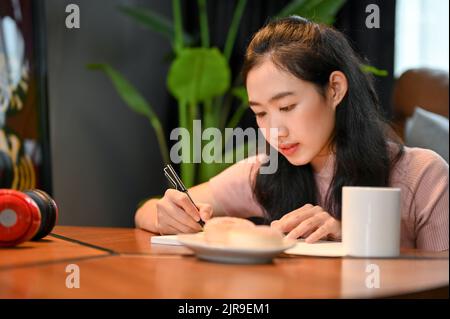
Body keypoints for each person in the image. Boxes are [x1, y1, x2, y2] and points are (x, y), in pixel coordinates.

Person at [135, 16, 448, 251]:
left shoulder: (423, 176)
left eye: (286, 107)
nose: (274, 130)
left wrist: (352, 238)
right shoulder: (261, 174)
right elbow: (147, 212)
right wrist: (166, 214)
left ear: (335, 89)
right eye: (260, 113)